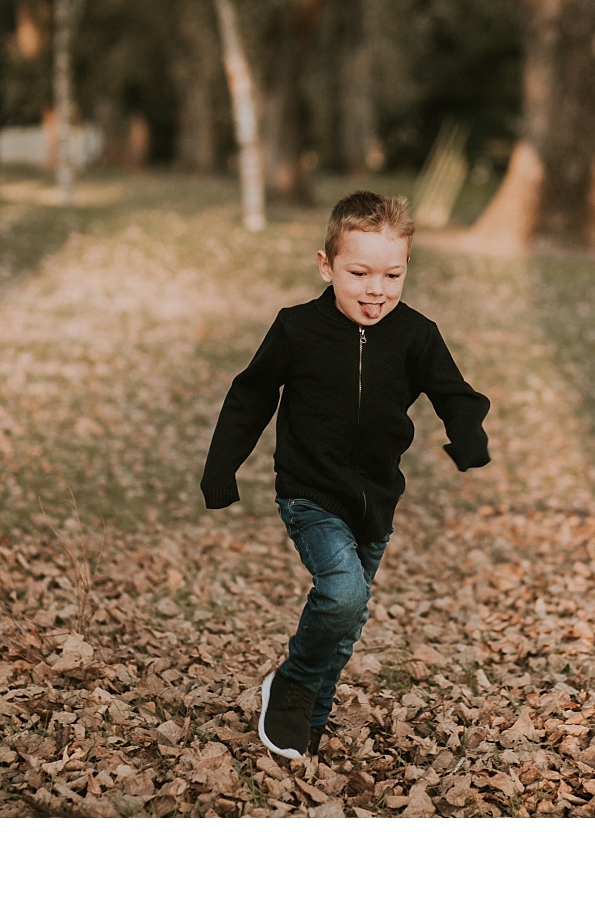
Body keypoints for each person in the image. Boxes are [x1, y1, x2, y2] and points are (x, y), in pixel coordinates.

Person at [201, 191, 491, 760]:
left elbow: (455, 393)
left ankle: (308, 718)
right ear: (326, 265)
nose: (376, 290)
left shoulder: (416, 334)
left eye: (392, 274)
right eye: (359, 273)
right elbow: (250, 395)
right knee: (342, 593)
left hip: (377, 501)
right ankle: (291, 684)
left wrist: (468, 433)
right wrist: (221, 468)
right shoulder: (297, 329)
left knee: (348, 613)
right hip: (310, 494)